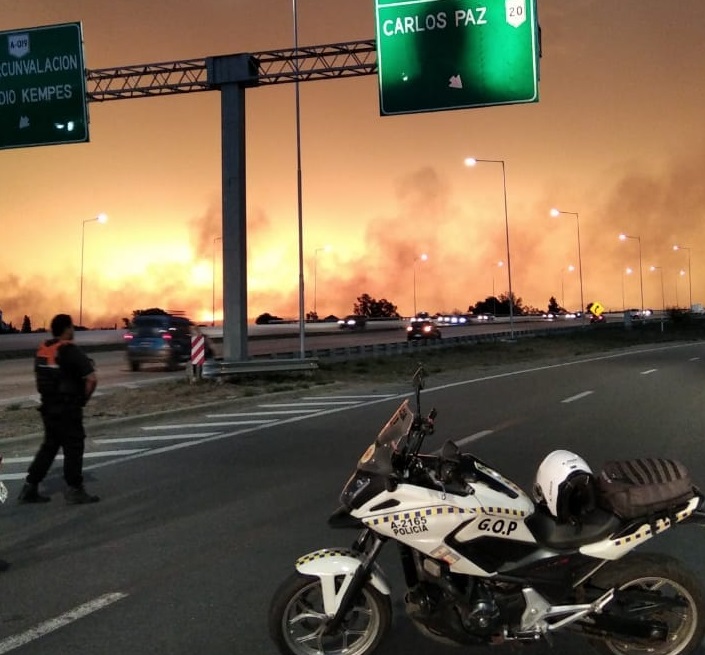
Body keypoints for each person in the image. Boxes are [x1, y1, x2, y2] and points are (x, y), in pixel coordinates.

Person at [18, 314, 100, 505]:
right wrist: (83, 400)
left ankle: (30, 487)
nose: (73, 330)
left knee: (49, 447)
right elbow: (91, 379)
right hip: (68, 408)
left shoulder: (43, 350)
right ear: (66, 329)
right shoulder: (70, 350)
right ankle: (75, 489)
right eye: (71, 327)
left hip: (48, 408)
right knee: (74, 446)